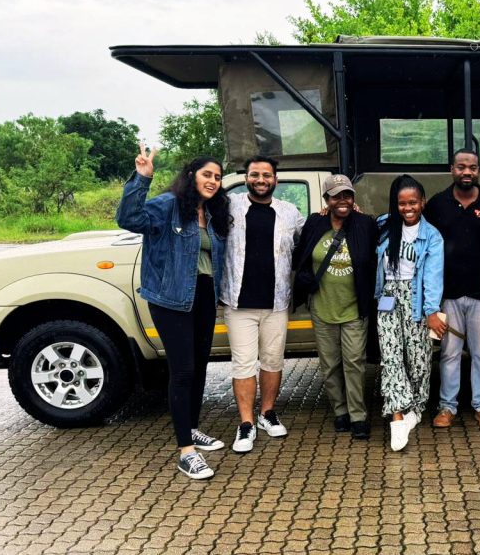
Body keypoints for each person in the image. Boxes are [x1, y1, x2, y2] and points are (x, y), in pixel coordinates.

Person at [116, 145, 229, 480]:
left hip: (204, 297)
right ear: (191, 175)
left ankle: (191, 428)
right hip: (171, 300)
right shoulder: (167, 206)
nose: (213, 181)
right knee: (181, 371)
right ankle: (185, 452)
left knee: (198, 370)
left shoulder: (212, 213)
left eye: (218, 177)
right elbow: (129, 218)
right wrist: (142, 178)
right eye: (207, 174)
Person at [221, 156, 304, 453]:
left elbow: (306, 238)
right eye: (254, 174)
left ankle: (267, 413)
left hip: (276, 302)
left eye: (266, 175)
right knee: (243, 363)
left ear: (275, 180)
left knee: (272, 361)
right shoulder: (230, 205)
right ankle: (246, 424)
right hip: (238, 302)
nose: (260, 179)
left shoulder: (290, 212)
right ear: (246, 178)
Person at [293, 174, 378, 440]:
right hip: (323, 308)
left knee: (354, 363)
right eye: (336, 196)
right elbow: (301, 255)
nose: (342, 201)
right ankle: (339, 411)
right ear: (326, 200)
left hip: (354, 309)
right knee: (329, 365)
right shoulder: (315, 223)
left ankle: (358, 415)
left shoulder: (365, 224)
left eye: (347, 195)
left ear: (354, 198)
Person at [423, 149, 480, 431]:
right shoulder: (437, 204)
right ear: (451, 169)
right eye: (461, 167)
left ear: (478, 170)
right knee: (449, 353)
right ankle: (447, 407)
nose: (467, 172)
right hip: (449, 295)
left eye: (473, 167)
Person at [374, 175, 446, 451]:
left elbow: (433, 276)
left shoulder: (432, 236)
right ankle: (397, 418)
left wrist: (431, 311)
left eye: (413, 202)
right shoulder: (383, 226)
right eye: (402, 203)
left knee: (419, 361)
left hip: (417, 299)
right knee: (391, 357)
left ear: (422, 202)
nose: (408, 208)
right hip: (388, 298)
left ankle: (415, 409)